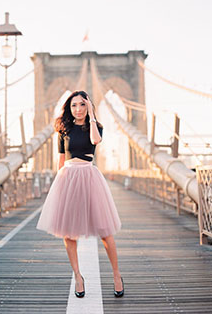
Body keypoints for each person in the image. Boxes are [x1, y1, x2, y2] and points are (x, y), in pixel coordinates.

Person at [36, 90, 124, 298]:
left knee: (105, 230)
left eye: (82, 105)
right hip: (68, 178)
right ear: (69, 107)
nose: (78, 109)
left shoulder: (96, 127)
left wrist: (92, 115)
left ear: (88, 106)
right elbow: (60, 160)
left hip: (89, 176)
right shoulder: (63, 129)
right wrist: (57, 188)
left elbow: (95, 141)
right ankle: (77, 276)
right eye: (74, 105)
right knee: (68, 232)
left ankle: (116, 274)